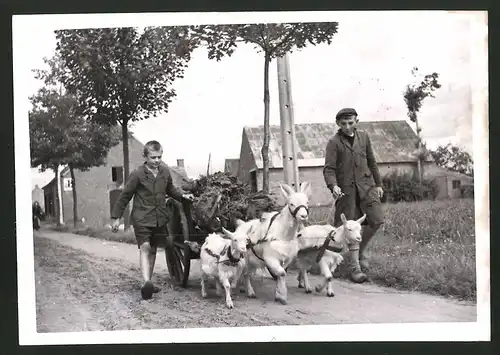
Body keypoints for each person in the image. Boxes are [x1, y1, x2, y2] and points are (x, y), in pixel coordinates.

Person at [110, 140, 195, 300]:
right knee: (146, 247)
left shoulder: (164, 172)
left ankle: (148, 281)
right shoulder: (137, 174)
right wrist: (116, 217)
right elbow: (125, 196)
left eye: (159, 157)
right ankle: (146, 282)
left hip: (160, 218)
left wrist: (183, 196)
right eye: (153, 157)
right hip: (142, 217)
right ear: (146, 157)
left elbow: (170, 189)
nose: (157, 161)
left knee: (154, 248)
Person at [323, 108, 385, 283]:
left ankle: (361, 251)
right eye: (343, 124)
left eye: (351, 123)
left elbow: (372, 161)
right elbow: (329, 169)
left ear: (357, 121)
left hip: (367, 188)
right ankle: (355, 268)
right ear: (338, 124)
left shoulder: (364, 137)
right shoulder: (334, 143)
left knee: (377, 220)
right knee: (349, 229)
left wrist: (379, 184)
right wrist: (333, 185)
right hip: (346, 193)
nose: (348, 127)